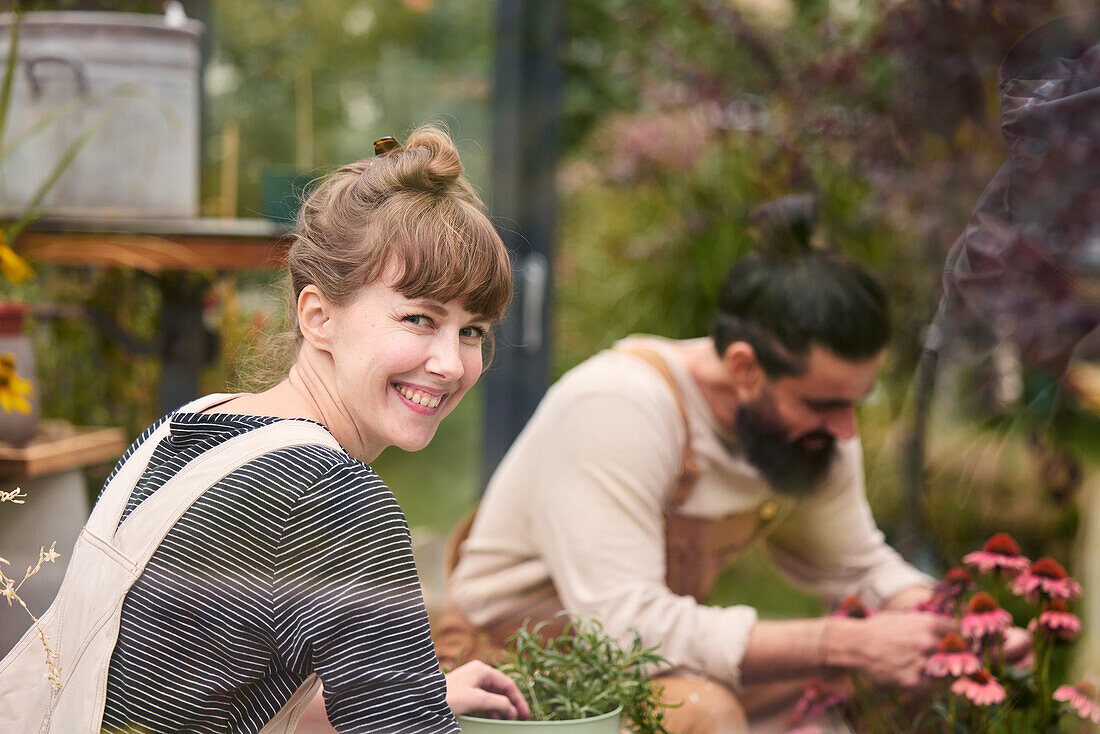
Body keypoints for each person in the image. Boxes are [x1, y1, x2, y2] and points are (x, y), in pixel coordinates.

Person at [0, 126, 528, 734]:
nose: (450, 362)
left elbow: (202, 698)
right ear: (318, 316)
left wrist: (414, 693)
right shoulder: (332, 496)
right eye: (418, 318)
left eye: (472, 332)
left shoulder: (187, 430)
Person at [436, 196, 1025, 733]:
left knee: (906, 680)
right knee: (700, 712)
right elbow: (624, 629)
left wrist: (961, 629)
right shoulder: (618, 407)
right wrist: (840, 641)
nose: (846, 431)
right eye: (824, 405)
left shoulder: (808, 437)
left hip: (645, 663)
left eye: (855, 403)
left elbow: (857, 567)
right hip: (511, 669)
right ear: (745, 368)